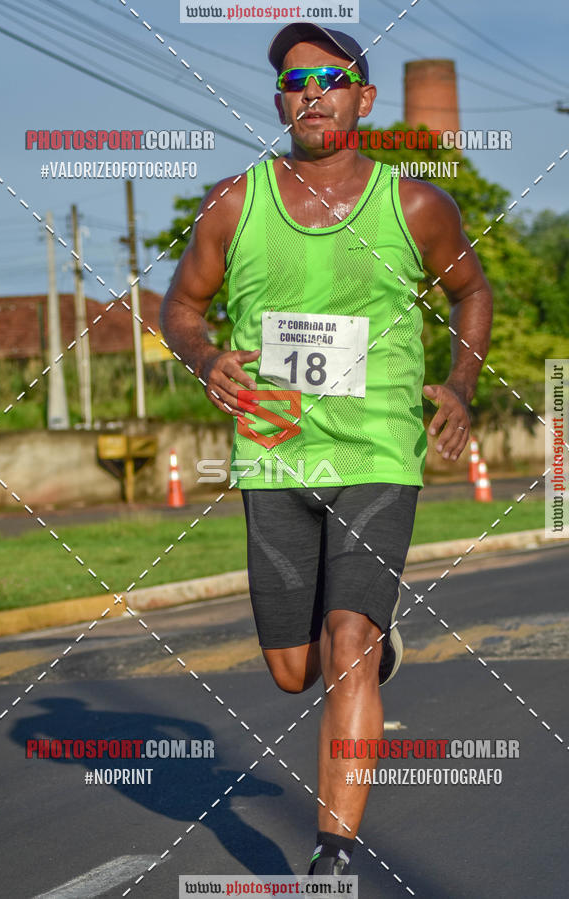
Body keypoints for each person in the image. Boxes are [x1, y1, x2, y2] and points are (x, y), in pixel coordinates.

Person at [160, 22, 493, 877]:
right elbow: (181, 308)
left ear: (363, 99)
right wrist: (204, 356)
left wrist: (460, 384)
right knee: (290, 669)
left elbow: (471, 289)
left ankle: (333, 854)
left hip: (378, 450)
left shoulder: (415, 206)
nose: (312, 93)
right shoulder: (234, 203)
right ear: (280, 103)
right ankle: (374, 636)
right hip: (274, 454)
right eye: (296, 81)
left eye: (331, 79)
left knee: (347, 644)